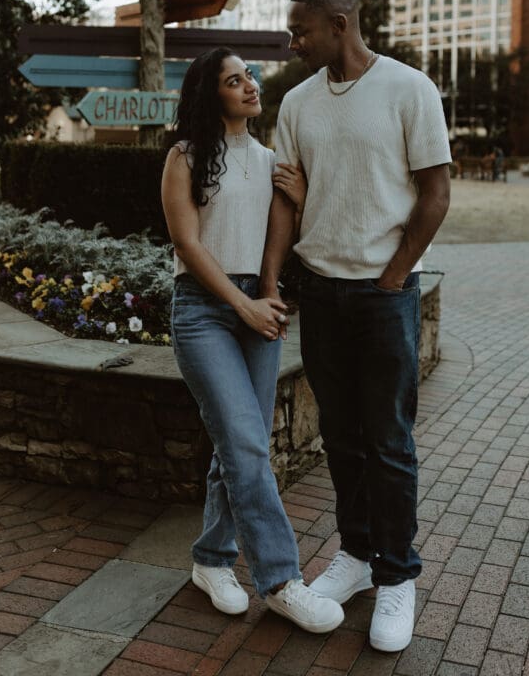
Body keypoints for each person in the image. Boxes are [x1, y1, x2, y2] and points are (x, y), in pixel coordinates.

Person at [259, 0, 451, 653]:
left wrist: (394, 274)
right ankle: (357, 556)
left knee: (388, 442)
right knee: (339, 437)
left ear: (340, 23)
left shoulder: (408, 89)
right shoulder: (298, 103)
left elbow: (434, 192)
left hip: (383, 296)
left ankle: (398, 575)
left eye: (302, 30)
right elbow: (285, 199)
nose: (294, 40)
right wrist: (270, 281)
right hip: (320, 292)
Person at [161, 47, 344, 635]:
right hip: (204, 311)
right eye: (233, 80)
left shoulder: (270, 160)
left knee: (238, 445)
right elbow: (189, 246)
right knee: (244, 444)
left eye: (250, 76)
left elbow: (283, 235)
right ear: (210, 94)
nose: (249, 86)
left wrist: (300, 197)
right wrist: (242, 304)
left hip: (257, 306)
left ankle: (211, 562)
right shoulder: (184, 157)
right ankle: (282, 581)